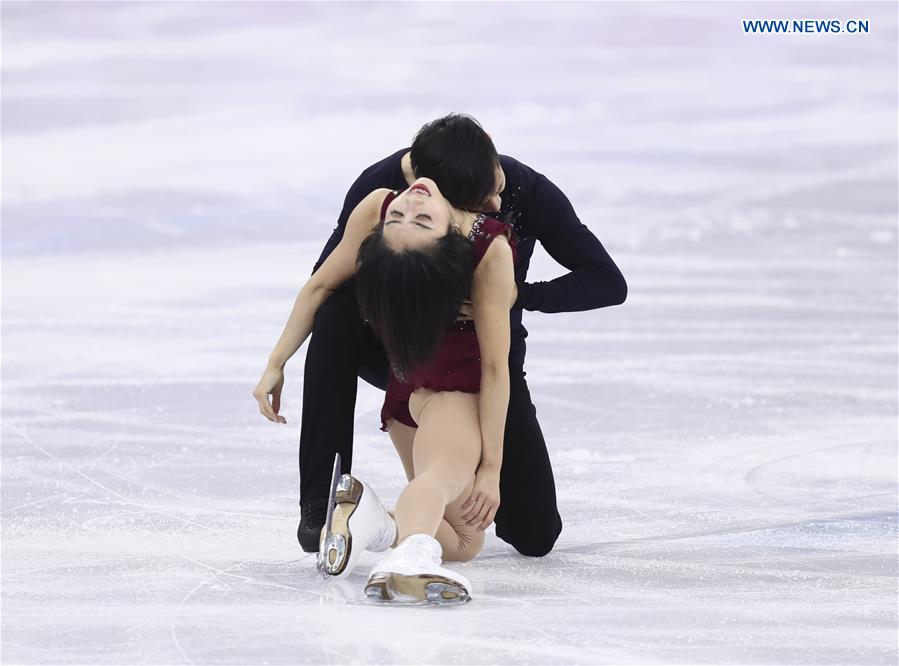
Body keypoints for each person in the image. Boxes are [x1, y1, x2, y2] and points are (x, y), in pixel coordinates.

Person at [265, 114, 627, 560]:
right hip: (403, 355)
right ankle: (323, 502)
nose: (497, 199)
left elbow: (608, 282)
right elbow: (326, 282)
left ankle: (379, 523)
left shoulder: (519, 192)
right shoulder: (386, 195)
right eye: (487, 195)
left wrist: (518, 295)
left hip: (486, 362)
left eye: (498, 184)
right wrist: (276, 361)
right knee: (336, 315)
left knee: (531, 534)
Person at [255, 175, 517, 603]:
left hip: (403, 394)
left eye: (408, 217)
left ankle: (376, 522)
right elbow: (493, 368)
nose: (408, 205)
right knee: (438, 481)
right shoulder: (486, 245)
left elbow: (322, 284)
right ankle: (411, 556)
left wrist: (275, 362)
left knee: (465, 541)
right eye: (405, 218)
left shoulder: (386, 214)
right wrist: (491, 469)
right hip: (453, 391)